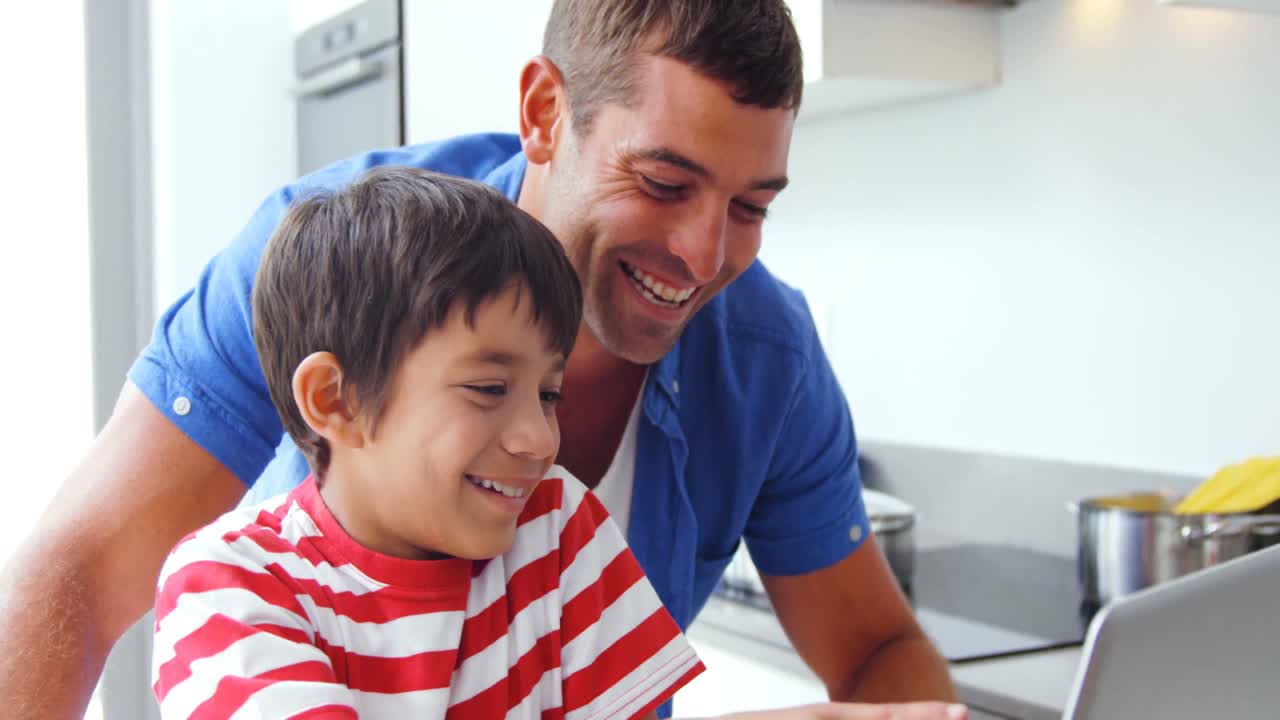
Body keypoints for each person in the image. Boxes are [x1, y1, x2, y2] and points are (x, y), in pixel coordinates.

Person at [0, 1, 962, 719]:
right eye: (664, 181)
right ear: (545, 111)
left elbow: (876, 650)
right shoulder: (329, 263)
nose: (707, 256)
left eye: (751, 208)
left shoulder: (695, 420)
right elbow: (77, 574)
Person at [152, 167, 702, 718]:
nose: (539, 439)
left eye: (549, 394)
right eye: (489, 389)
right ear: (334, 400)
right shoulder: (226, 585)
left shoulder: (555, 530)